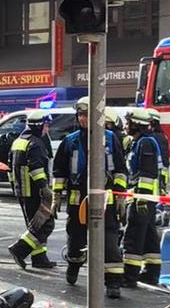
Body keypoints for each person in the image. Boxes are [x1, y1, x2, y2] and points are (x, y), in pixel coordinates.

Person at [53, 96, 128, 295]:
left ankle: (113, 283)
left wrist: (121, 198)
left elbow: (121, 170)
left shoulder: (111, 139)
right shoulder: (70, 142)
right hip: (77, 200)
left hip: (106, 201)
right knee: (75, 239)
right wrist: (55, 197)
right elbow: (59, 172)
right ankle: (74, 265)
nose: (82, 119)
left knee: (110, 242)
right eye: (80, 115)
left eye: (86, 115)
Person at [7, 109, 57, 270]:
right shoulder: (35, 143)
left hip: (22, 191)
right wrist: (44, 188)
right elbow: (36, 168)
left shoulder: (19, 141)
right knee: (45, 224)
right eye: (46, 126)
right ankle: (19, 250)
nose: (47, 129)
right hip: (34, 191)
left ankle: (39, 258)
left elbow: (10, 167)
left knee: (34, 225)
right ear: (40, 126)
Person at [122, 108, 166, 286]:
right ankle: (151, 272)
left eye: (128, 123)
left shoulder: (145, 143)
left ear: (136, 125)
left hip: (142, 198)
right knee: (148, 235)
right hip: (143, 198)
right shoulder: (139, 142)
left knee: (133, 236)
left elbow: (147, 173)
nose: (126, 126)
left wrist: (141, 197)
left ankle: (129, 276)